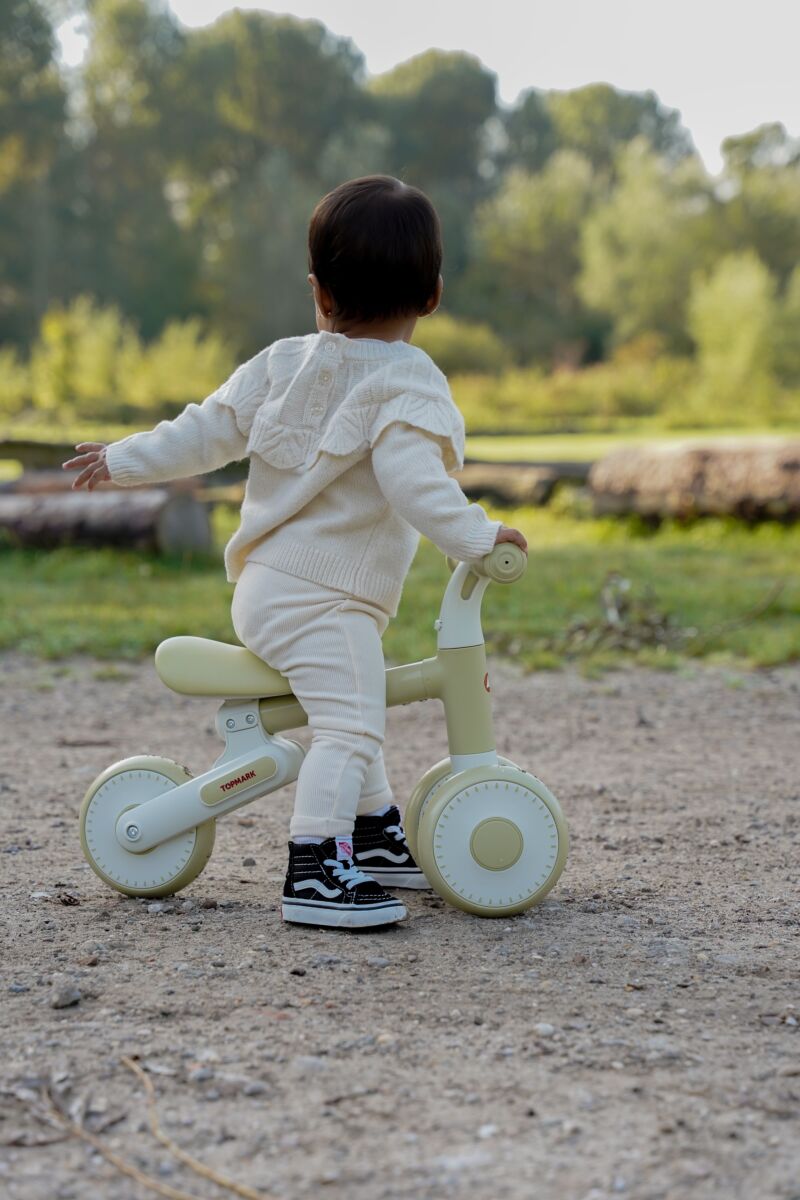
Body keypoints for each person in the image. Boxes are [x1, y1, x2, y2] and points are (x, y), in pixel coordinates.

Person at [62, 174, 528, 931]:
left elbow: (202, 432)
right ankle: (314, 869)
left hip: (270, 589)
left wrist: (121, 459)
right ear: (435, 294)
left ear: (319, 291)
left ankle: (373, 836)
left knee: (356, 697)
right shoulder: (411, 383)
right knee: (350, 724)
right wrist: (478, 537)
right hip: (320, 598)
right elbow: (415, 481)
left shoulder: (280, 362)